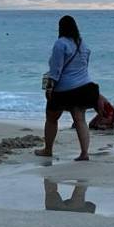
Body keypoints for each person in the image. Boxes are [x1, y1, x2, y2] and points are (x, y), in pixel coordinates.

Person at [37, 15, 98, 161]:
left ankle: (48, 150)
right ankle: (84, 153)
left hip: (64, 89)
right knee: (80, 120)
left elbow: (56, 69)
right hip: (84, 86)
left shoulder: (60, 43)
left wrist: (49, 88)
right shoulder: (83, 44)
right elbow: (85, 64)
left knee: (51, 118)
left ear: (61, 28)